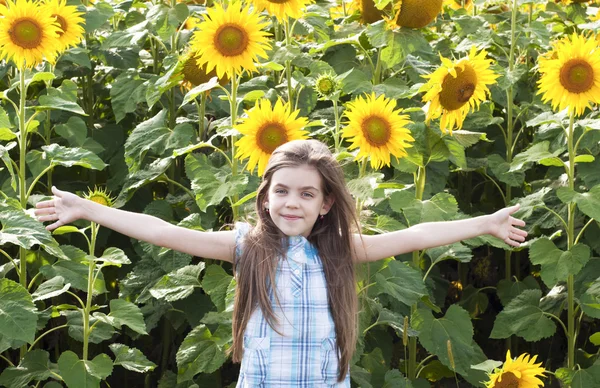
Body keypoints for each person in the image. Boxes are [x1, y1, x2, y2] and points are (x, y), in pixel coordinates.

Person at [35, 139, 527, 387]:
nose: (292, 203)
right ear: (266, 196)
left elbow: (417, 234)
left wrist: (483, 223)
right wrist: (88, 210)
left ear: (326, 204)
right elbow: (166, 231)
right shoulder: (247, 247)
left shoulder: (339, 249)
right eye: (282, 191)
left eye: (307, 193)